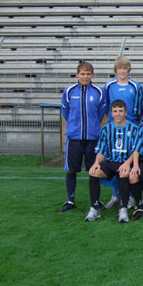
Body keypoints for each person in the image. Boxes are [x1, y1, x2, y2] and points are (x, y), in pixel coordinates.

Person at [59, 61, 107, 212]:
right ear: (77, 74)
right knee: (71, 169)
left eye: (88, 74)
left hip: (92, 138)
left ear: (92, 75)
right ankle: (70, 200)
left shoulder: (99, 92)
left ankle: (95, 200)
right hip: (74, 138)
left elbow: (100, 114)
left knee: (94, 170)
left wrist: (92, 126)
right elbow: (66, 112)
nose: (85, 77)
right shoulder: (69, 91)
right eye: (83, 74)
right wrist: (74, 127)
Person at [84, 100, 137, 223]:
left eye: (120, 111)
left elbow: (136, 151)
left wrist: (127, 163)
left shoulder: (133, 129)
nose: (118, 114)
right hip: (110, 162)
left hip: (126, 161)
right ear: (111, 113)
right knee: (94, 172)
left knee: (124, 172)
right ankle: (95, 208)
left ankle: (123, 209)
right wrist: (96, 163)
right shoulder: (105, 129)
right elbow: (101, 150)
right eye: (115, 111)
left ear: (125, 112)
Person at [103, 56, 140, 209]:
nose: (122, 71)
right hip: (115, 129)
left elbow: (139, 108)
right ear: (116, 70)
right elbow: (106, 107)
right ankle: (116, 194)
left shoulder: (135, 86)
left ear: (128, 69)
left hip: (131, 129)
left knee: (128, 164)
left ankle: (130, 196)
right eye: (120, 68)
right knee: (114, 162)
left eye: (125, 68)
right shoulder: (109, 86)